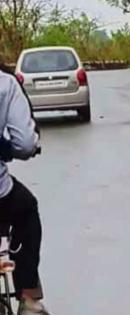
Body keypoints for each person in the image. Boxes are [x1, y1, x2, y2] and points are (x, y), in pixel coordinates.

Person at [0, 64, 49, 315]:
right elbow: (27, 143)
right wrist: (8, 149)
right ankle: (28, 297)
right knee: (27, 210)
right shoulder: (5, 83)